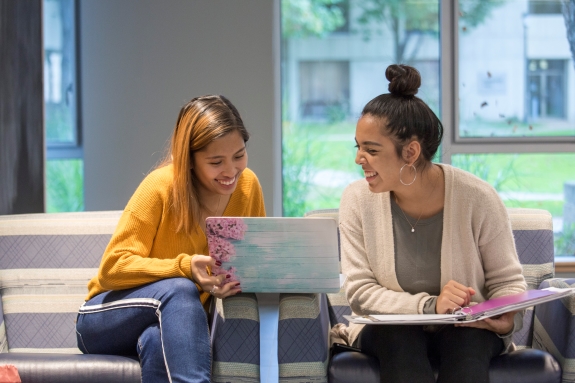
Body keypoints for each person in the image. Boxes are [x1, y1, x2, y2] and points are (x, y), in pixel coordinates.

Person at [339, 64, 527, 383]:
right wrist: (430, 305)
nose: (359, 159)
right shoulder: (356, 200)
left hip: (464, 328)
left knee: (466, 344)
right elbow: (359, 291)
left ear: (411, 152)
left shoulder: (478, 198)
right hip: (388, 328)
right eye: (358, 147)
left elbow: (509, 283)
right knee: (400, 340)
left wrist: (506, 318)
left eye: (371, 150)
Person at [75, 95, 266, 383]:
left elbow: (251, 264)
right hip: (102, 319)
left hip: (173, 324)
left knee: (156, 341)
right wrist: (185, 268)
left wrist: (231, 283)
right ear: (189, 160)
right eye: (216, 162)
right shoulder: (159, 188)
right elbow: (112, 268)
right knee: (180, 288)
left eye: (238, 155)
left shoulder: (248, 187)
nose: (231, 171)